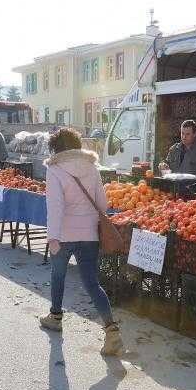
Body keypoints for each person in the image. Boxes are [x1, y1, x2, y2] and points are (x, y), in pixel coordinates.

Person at [40, 127, 123, 356]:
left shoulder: (54, 169)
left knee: (58, 275)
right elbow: (102, 204)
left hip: (64, 235)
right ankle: (112, 330)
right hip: (89, 235)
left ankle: (55, 317)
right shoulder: (91, 166)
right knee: (92, 283)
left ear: (56, 148)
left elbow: (55, 207)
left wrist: (53, 237)